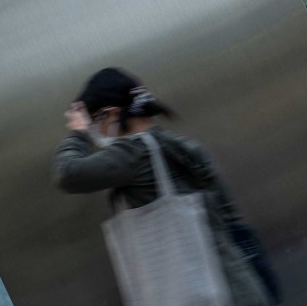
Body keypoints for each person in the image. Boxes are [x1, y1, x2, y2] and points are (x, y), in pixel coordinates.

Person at [51, 68, 278, 306]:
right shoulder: (182, 146)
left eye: (94, 122)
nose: (94, 131)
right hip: (238, 286)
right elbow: (229, 217)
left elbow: (67, 174)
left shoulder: (135, 154)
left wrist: (78, 134)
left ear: (111, 114)